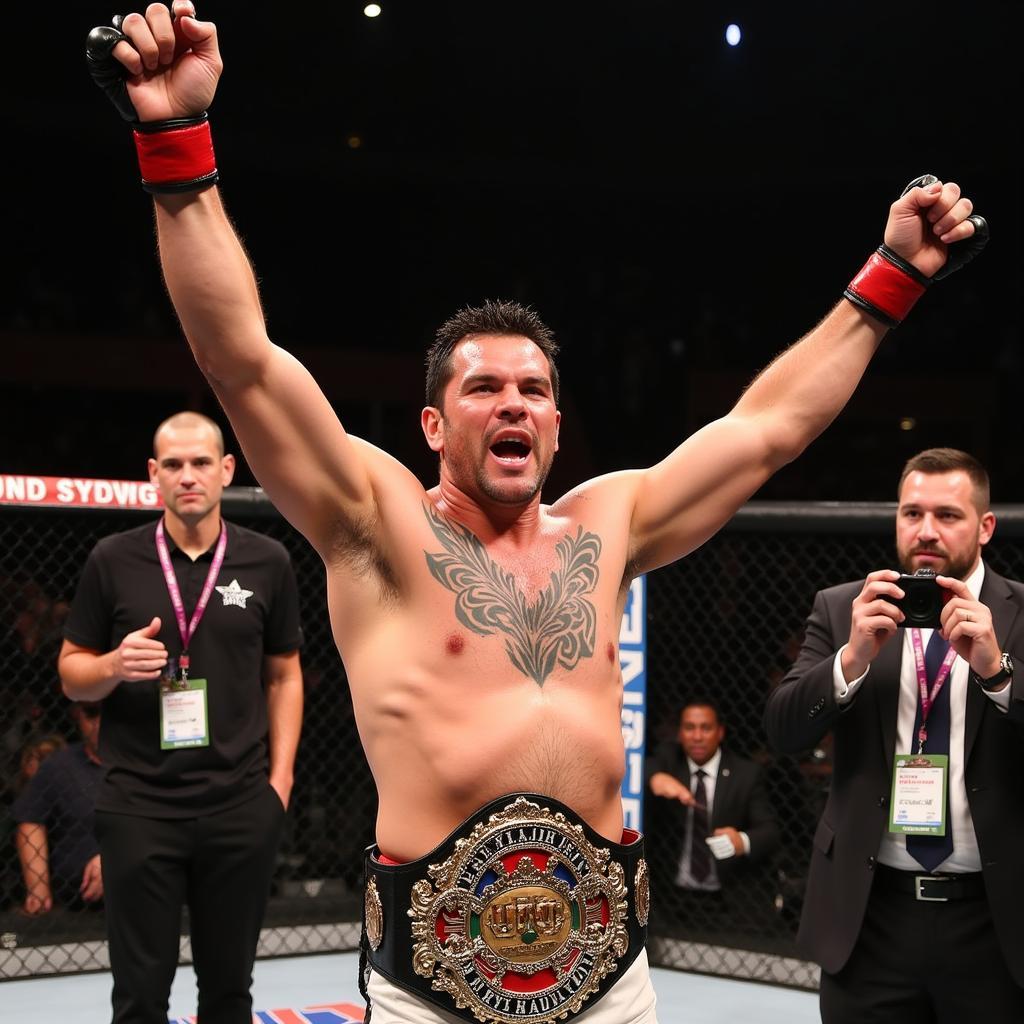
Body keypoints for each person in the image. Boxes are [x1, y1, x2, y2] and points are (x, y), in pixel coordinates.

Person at [83, 6, 985, 1022]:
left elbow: (768, 427)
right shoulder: (377, 523)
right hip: (434, 977)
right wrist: (175, 146)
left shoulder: (611, 521)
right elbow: (239, 359)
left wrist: (892, 277)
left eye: (535, 389)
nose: (514, 402)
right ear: (431, 421)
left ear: (557, 424)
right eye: (484, 389)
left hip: (608, 974)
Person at [57, 411, 303, 1024]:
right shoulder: (112, 559)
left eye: (200, 463)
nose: (187, 476)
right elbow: (71, 674)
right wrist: (113, 664)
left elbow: (285, 673)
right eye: (173, 464)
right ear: (153, 475)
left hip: (239, 805)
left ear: (225, 470)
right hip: (138, 805)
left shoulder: (267, 560)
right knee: (139, 997)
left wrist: (282, 781)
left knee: (229, 994)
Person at [764, 448, 1024, 1022]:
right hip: (869, 917)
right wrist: (851, 659)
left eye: (947, 515)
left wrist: (997, 671)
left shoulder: (1019, 613)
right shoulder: (844, 609)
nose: (926, 531)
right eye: (911, 513)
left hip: (995, 919)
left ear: (985, 526)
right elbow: (782, 729)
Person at [646, 699, 779, 933]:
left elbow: (770, 831)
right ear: (679, 733)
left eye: (705, 728)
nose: (697, 736)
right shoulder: (668, 762)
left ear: (720, 732)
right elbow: (639, 763)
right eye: (689, 728)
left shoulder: (745, 774)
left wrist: (742, 841)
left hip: (727, 897)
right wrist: (655, 777)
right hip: (669, 898)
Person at [12, 702, 104, 915]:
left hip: (140, 892)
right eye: (91, 714)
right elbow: (31, 820)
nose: (99, 723)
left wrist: (115, 859)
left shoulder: (147, 765)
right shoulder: (60, 766)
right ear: (78, 715)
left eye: (107, 713)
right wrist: (38, 889)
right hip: (74, 905)